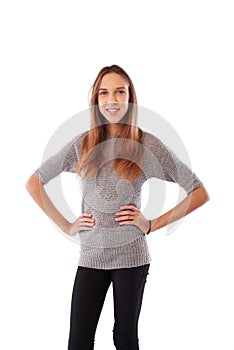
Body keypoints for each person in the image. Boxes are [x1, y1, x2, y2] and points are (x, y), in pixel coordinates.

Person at [25, 64, 209, 350]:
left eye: (119, 92)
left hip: (131, 256)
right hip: (91, 256)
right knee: (79, 340)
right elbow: (34, 182)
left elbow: (198, 191)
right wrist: (67, 225)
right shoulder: (82, 145)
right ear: (96, 101)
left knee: (124, 338)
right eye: (104, 93)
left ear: (129, 97)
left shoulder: (146, 145)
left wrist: (150, 224)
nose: (112, 100)